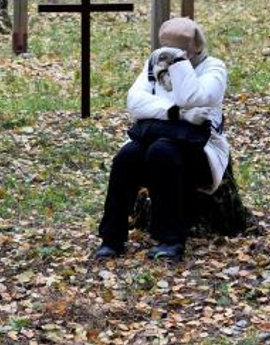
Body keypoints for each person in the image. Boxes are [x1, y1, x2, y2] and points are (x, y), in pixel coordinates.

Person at [94, 17, 229, 262]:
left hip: (199, 148)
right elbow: (135, 103)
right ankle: (111, 238)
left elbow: (192, 97)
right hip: (157, 136)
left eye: (176, 50)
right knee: (126, 157)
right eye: (165, 49)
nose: (166, 56)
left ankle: (171, 239)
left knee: (162, 152)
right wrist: (175, 113)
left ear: (194, 48)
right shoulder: (154, 65)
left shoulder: (214, 69)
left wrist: (179, 64)